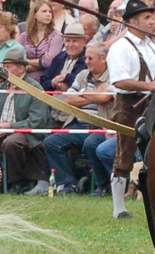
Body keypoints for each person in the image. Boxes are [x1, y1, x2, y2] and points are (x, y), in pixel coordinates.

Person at [104, 0, 155, 219]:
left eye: (152, 17)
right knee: (124, 154)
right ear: (132, 21)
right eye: (146, 18)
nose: (152, 22)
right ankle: (119, 208)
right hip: (129, 105)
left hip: (153, 105)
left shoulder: (152, 47)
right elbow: (119, 82)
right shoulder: (120, 47)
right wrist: (149, 85)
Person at [42, 40, 116, 194]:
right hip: (79, 125)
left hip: (103, 127)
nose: (86, 62)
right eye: (86, 58)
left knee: (91, 143)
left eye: (91, 58)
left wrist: (82, 93)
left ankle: (103, 186)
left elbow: (105, 98)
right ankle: (68, 183)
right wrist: (95, 94)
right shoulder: (82, 74)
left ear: (103, 59)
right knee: (51, 142)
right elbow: (68, 99)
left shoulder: (114, 75)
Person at [0, 41, 54, 194]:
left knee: (12, 143)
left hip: (28, 132)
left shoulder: (34, 88)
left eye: (8, 67)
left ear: (21, 68)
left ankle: (17, 182)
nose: (4, 70)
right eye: (4, 66)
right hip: (2, 129)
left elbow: (37, 121)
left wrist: (10, 126)